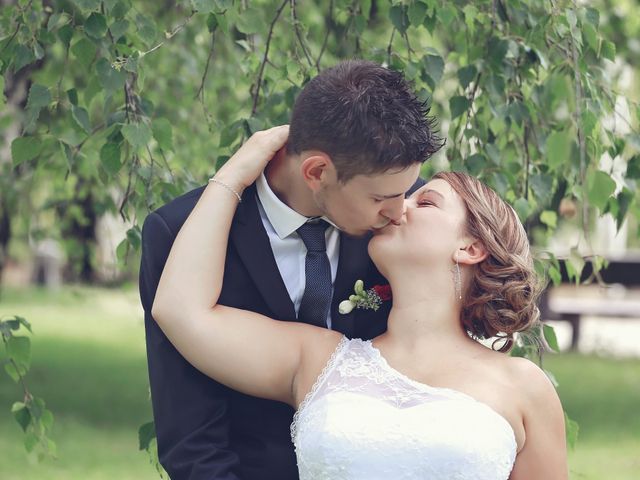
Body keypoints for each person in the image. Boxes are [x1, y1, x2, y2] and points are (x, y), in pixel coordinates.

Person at [152, 126, 568, 479]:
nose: (396, 207)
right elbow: (179, 310)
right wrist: (241, 170)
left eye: (423, 201)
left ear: (472, 246)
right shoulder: (318, 358)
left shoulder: (524, 387)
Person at [139, 60, 442, 479]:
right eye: (381, 199)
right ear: (317, 172)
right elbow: (192, 441)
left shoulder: (404, 232)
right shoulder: (179, 234)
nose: (400, 211)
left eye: (407, 190)